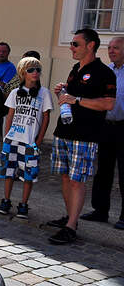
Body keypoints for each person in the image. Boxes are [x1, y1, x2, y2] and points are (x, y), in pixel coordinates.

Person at [46, 28, 116, 244]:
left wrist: (75, 100)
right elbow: (73, 95)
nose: (71, 48)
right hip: (65, 131)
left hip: (85, 135)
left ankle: (71, 227)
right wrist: (63, 90)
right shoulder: (76, 68)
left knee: (77, 181)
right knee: (66, 177)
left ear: (90, 45)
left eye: (76, 44)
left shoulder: (104, 72)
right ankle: (70, 218)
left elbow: (108, 103)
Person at [0, 57, 52, 219]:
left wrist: (38, 141)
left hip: (30, 141)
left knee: (28, 174)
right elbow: (10, 116)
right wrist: (6, 137)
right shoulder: (15, 93)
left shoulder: (44, 93)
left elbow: (46, 118)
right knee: (9, 171)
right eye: (31, 70)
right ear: (23, 73)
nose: (35, 73)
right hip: (12, 139)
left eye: (38, 70)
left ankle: (24, 204)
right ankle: (6, 200)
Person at [77, 36, 124, 229]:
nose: (111, 51)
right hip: (105, 126)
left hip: (123, 126)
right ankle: (100, 210)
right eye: (110, 47)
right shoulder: (107, 71)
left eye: (117, 48)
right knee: (103, 170)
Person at [0, 42, 17, 166]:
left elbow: (2, 86)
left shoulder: (10, 68)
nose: (1, 54)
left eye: (4, 52)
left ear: (8, 53)